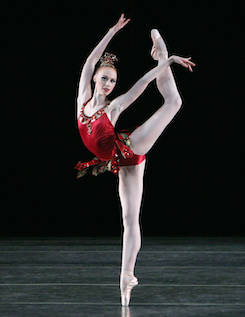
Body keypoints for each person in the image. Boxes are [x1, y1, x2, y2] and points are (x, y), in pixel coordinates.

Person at [75, 14, 195, 306]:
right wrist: (112, 30)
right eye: (104, 78)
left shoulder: (113, 107)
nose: (107, 84)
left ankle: (161, 51)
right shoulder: (82, 100)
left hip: (129, 149)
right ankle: (126, 277)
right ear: (94, 79)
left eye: (112, 81)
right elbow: (91, 61)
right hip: (119, 164)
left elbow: (139, 86)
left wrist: (165, 63)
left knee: (175, 103)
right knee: (129, 219)